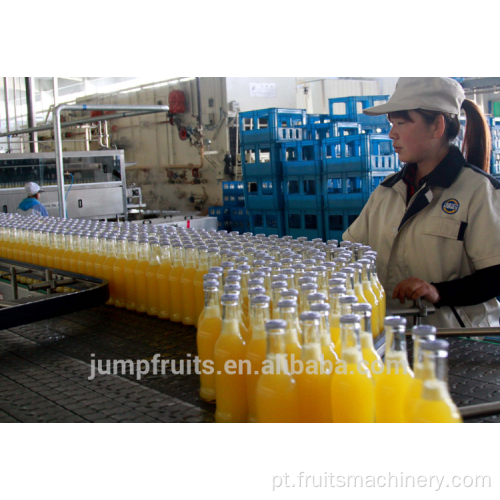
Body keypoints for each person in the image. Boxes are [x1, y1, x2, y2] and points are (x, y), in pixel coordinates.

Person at [343, 77, 500, 328]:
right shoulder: (387, 191)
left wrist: (439, 292)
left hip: (455, 338)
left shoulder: (479, 192)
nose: (392, 133)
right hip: (394, 332)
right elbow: (351, 251)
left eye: (402, 123)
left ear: (437, 126)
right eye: (391, 123)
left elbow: (495, 275)